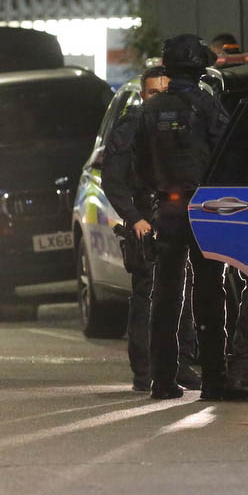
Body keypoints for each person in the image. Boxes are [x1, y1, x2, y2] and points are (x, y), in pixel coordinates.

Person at [131, 34, 232, 400]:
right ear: (199, 66)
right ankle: (214, 380)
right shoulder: (207, 105)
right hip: (204, 207)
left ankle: (162, 380)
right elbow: (228, 153)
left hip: (167, 208)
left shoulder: (150, 109)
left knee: (166, 295)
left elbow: (139, 165)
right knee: (209, 292)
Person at [102, 65, 201, 392]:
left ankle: (180, 365)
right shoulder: (131, 126)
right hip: (145, 216)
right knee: (147, 294)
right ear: (143, 95)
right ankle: (145, 371)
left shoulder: (183, 122)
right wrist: (135, 218)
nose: (159, 98)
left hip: (179, 215)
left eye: (164, 92)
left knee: (183, 291)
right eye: (153, 92)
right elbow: (113, 181)